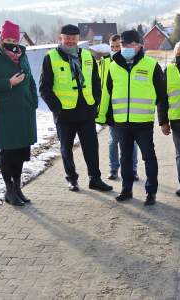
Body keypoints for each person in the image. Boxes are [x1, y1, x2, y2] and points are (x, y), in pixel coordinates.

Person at [39, 24, 112, 192]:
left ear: (78, 39)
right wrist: (56, 108)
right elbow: (44, 88)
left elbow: (96, 81)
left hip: (86, 111)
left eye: (74, 38)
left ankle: (95, 179)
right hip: (64, 114)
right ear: (61, 38)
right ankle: (72, 179)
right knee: (66, 149)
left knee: (91, 148)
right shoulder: (51, 57)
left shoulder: (87, 55)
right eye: (67, 38)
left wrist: (95, 103)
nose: (70, 41)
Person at [96, 30, 165, 205]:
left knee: (148, 157)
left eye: (130, 45)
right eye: (124, 45)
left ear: (139, 45)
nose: (126, 48)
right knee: (125, 158)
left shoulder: (151, 65)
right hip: (121, 123)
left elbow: (162, 95)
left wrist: (163, 121)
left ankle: (151, 192)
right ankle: (126, 190)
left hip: (143, 123)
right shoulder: (113, 65)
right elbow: (107, 93)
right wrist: (101, 116)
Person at [0, 20, 38, 206]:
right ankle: (9, 189)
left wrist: (34, 102)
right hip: (5, 112)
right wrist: (8, 83)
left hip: (24, 110)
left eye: (14, 38)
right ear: (2, 37)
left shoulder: (23, 55)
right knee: (8, 151)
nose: (11, 41)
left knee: (21, 151)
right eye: (7, 38)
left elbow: (30, 80)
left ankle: (18, 187)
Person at [99, 34, 139, 181]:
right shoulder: (103, 62)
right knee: (113, 141)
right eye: (112, 47)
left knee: (131, 142)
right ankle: (113, 169)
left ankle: (133, 170)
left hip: (128, 109)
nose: (115, 49)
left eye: (118, 47)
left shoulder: (130, 62)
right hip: (110, 109)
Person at [158, 40, 180, 197]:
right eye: (177, 54)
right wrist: (163, 121)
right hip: (176, 119)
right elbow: (162, 97)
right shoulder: (169, 70)